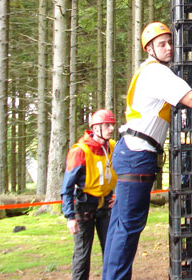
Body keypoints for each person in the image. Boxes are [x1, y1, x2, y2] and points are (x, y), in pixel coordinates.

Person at [101, 21, 192, 280]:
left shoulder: (149, 71)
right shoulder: (156, 73)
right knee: (127, 230)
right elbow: (191, 99)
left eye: (170, 42)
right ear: (149, 49)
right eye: (161, 44)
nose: (168, 48)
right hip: (137, 156)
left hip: (131, 154)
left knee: (119, 227)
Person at [61, 109, 118, 280]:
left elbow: (122, 175)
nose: (111, 129)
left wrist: (117, 197)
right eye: (107, 125)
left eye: (112, 125)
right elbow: (67, 186)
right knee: (82, 254)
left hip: (105, 206)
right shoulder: (80, 151)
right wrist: (70, 216)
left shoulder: (113, 147)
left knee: (111, 251)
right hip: (84, 207)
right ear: (96, 128)